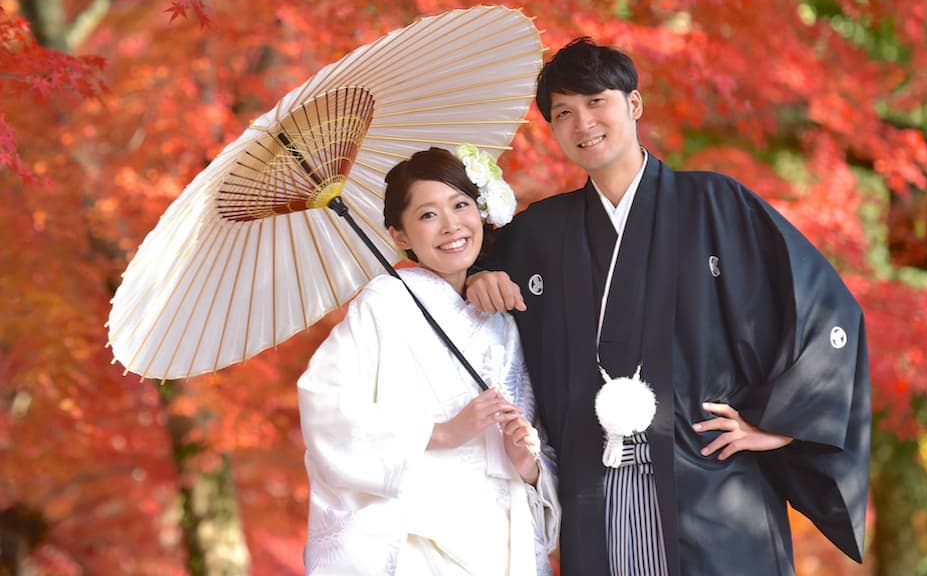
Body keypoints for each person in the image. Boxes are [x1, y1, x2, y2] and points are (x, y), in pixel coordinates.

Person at [466, 38, 870, 576]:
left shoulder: (716, 205)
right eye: (563, 112)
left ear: (633, 105)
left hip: (712, 487)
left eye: (596, 102)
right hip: (595, 493)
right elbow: (463, 287)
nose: (582, 122)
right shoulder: (540, 232)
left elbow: (827, 312)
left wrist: (779, 423)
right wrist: (479, 277)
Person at [297, 146, 560, 576]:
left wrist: (526, 462)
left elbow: (536, 442)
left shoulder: (503, 320)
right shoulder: (385, 304)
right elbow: (325, 404)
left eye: (460, 205)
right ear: (400, 236)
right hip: (420, 540)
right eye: (427, 215)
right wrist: (440, 432)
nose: (451, 225)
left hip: (503, 537)